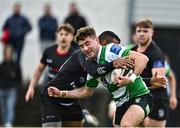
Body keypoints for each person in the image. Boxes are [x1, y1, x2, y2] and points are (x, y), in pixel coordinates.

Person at [48, 26, 155, 127]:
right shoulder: (92, 68)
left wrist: (130, 79)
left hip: (140, 95)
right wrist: (61, 93)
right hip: (120, 104)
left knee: (126, 125)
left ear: (97, 41)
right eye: (81, 46)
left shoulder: (110, 50)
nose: (85, 49)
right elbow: (86, 92)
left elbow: (142, 59)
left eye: (87, 43)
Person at [131, 19, 167, 127]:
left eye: (145, 31)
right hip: (138, 96)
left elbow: (158, 83)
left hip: (156, 99)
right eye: (139, 31)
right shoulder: (132, 51)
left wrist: (133, 84)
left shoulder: (156, 54)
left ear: (152, 32)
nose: (141, 34)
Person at [25, 24, 75, 102]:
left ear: (72, 37)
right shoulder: (49, 51)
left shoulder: (75, 55)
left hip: (67, 95)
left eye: (66, 34)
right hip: (50, 94)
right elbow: (39, 70)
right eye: (61, 34)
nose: (63, 37)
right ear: (57, 35)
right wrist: (31, 87)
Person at [0, 45, 22, 127]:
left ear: (12, 54)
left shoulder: (16, 66)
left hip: (11, 90)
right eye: (7, 52)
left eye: (10, 52)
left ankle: (9, 122)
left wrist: (15, 86)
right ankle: (3, 122)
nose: (8, 54)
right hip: (1, 89)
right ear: (4, 54)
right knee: (1, 108)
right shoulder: (1, 65)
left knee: (10, 107)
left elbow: (19, 79)